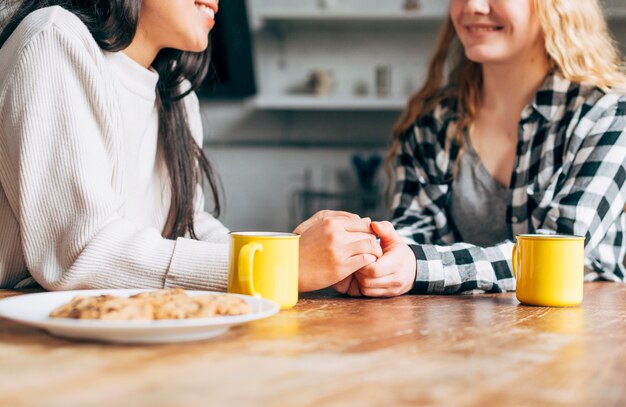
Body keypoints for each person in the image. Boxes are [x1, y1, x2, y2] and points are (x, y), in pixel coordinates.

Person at [0, 0, 381, 290]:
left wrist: (314, 256)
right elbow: (83, 254)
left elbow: (187, 228)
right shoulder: (54, 38)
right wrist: (279, 267)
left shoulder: (176, 92)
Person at [334, 0, 626, 297]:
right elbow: (411, 235)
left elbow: (557, 252)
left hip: (581, 330)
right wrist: (374, 260)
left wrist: (419, 266)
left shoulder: (607, 116)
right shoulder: (434, 122)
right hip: (456, 334)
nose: (472, 6)